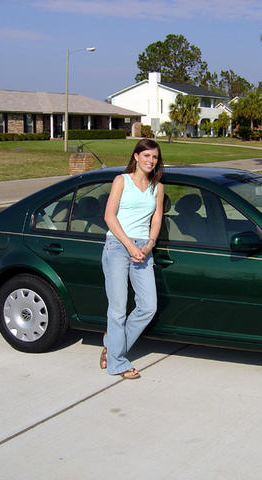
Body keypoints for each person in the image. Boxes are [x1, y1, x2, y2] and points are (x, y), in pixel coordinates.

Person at [99, 139, 165, 379]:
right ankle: (117, 363)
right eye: (146, 155)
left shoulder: (157, 187)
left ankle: (112, 344)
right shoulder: (121, 181)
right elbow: (109, 216)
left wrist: (149, 244)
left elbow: (156, 218)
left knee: (148, 306)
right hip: (117, 245)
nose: (150, 160)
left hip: (143, 249)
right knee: (117, 309)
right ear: (136, 156)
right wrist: (129, 245)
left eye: (154, 157)